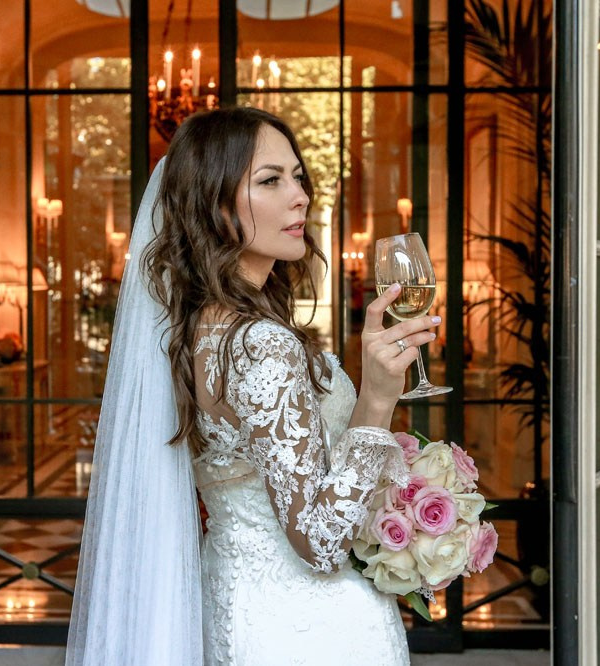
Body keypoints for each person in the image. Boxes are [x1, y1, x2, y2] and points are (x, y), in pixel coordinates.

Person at [66, 107, 440, 665]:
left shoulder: (197, 327)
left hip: (235, 601)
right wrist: (378, 397)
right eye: (270, 180)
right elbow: (320, 540)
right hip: (308, 628)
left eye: (298, 176)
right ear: (214, 207)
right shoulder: (260, 344)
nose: (300, 196)